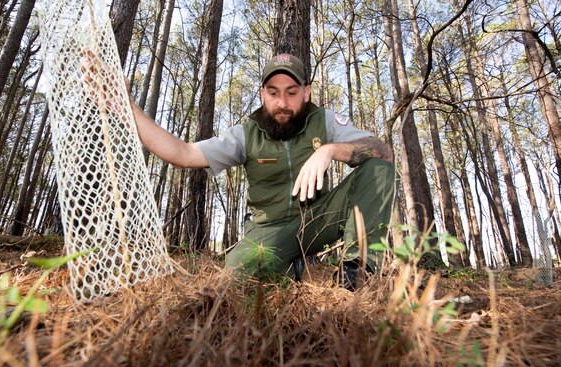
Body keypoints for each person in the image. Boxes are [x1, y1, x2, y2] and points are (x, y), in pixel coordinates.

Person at [130, 54, 395, 290]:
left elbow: (380, 150)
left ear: (306, 93)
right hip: (268, 230)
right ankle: (287, 268)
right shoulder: (246, 134)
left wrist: (329, 150)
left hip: (319, 219)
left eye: (291, 92)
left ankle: (356, 273)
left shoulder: (324, 120)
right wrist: (129, 108)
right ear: (262, 94)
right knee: (236, 279)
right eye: (273, 93)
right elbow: (182, 155)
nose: (282, 102)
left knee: (378, 168)